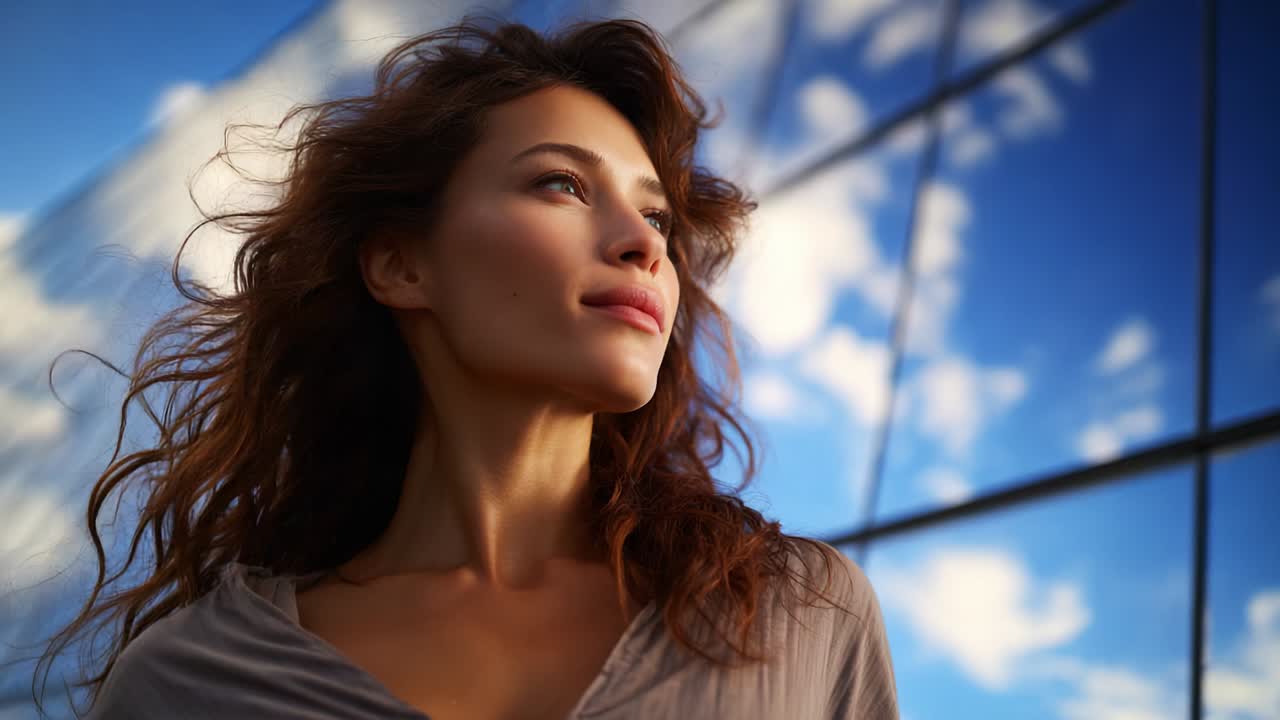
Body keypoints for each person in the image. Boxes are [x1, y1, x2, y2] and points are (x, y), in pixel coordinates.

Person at [36, 15, 898, 720]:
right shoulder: (190, 682)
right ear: (402, 265)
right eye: (562, 184)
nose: (644, 245)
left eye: (659, 219)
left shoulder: (800, 613)